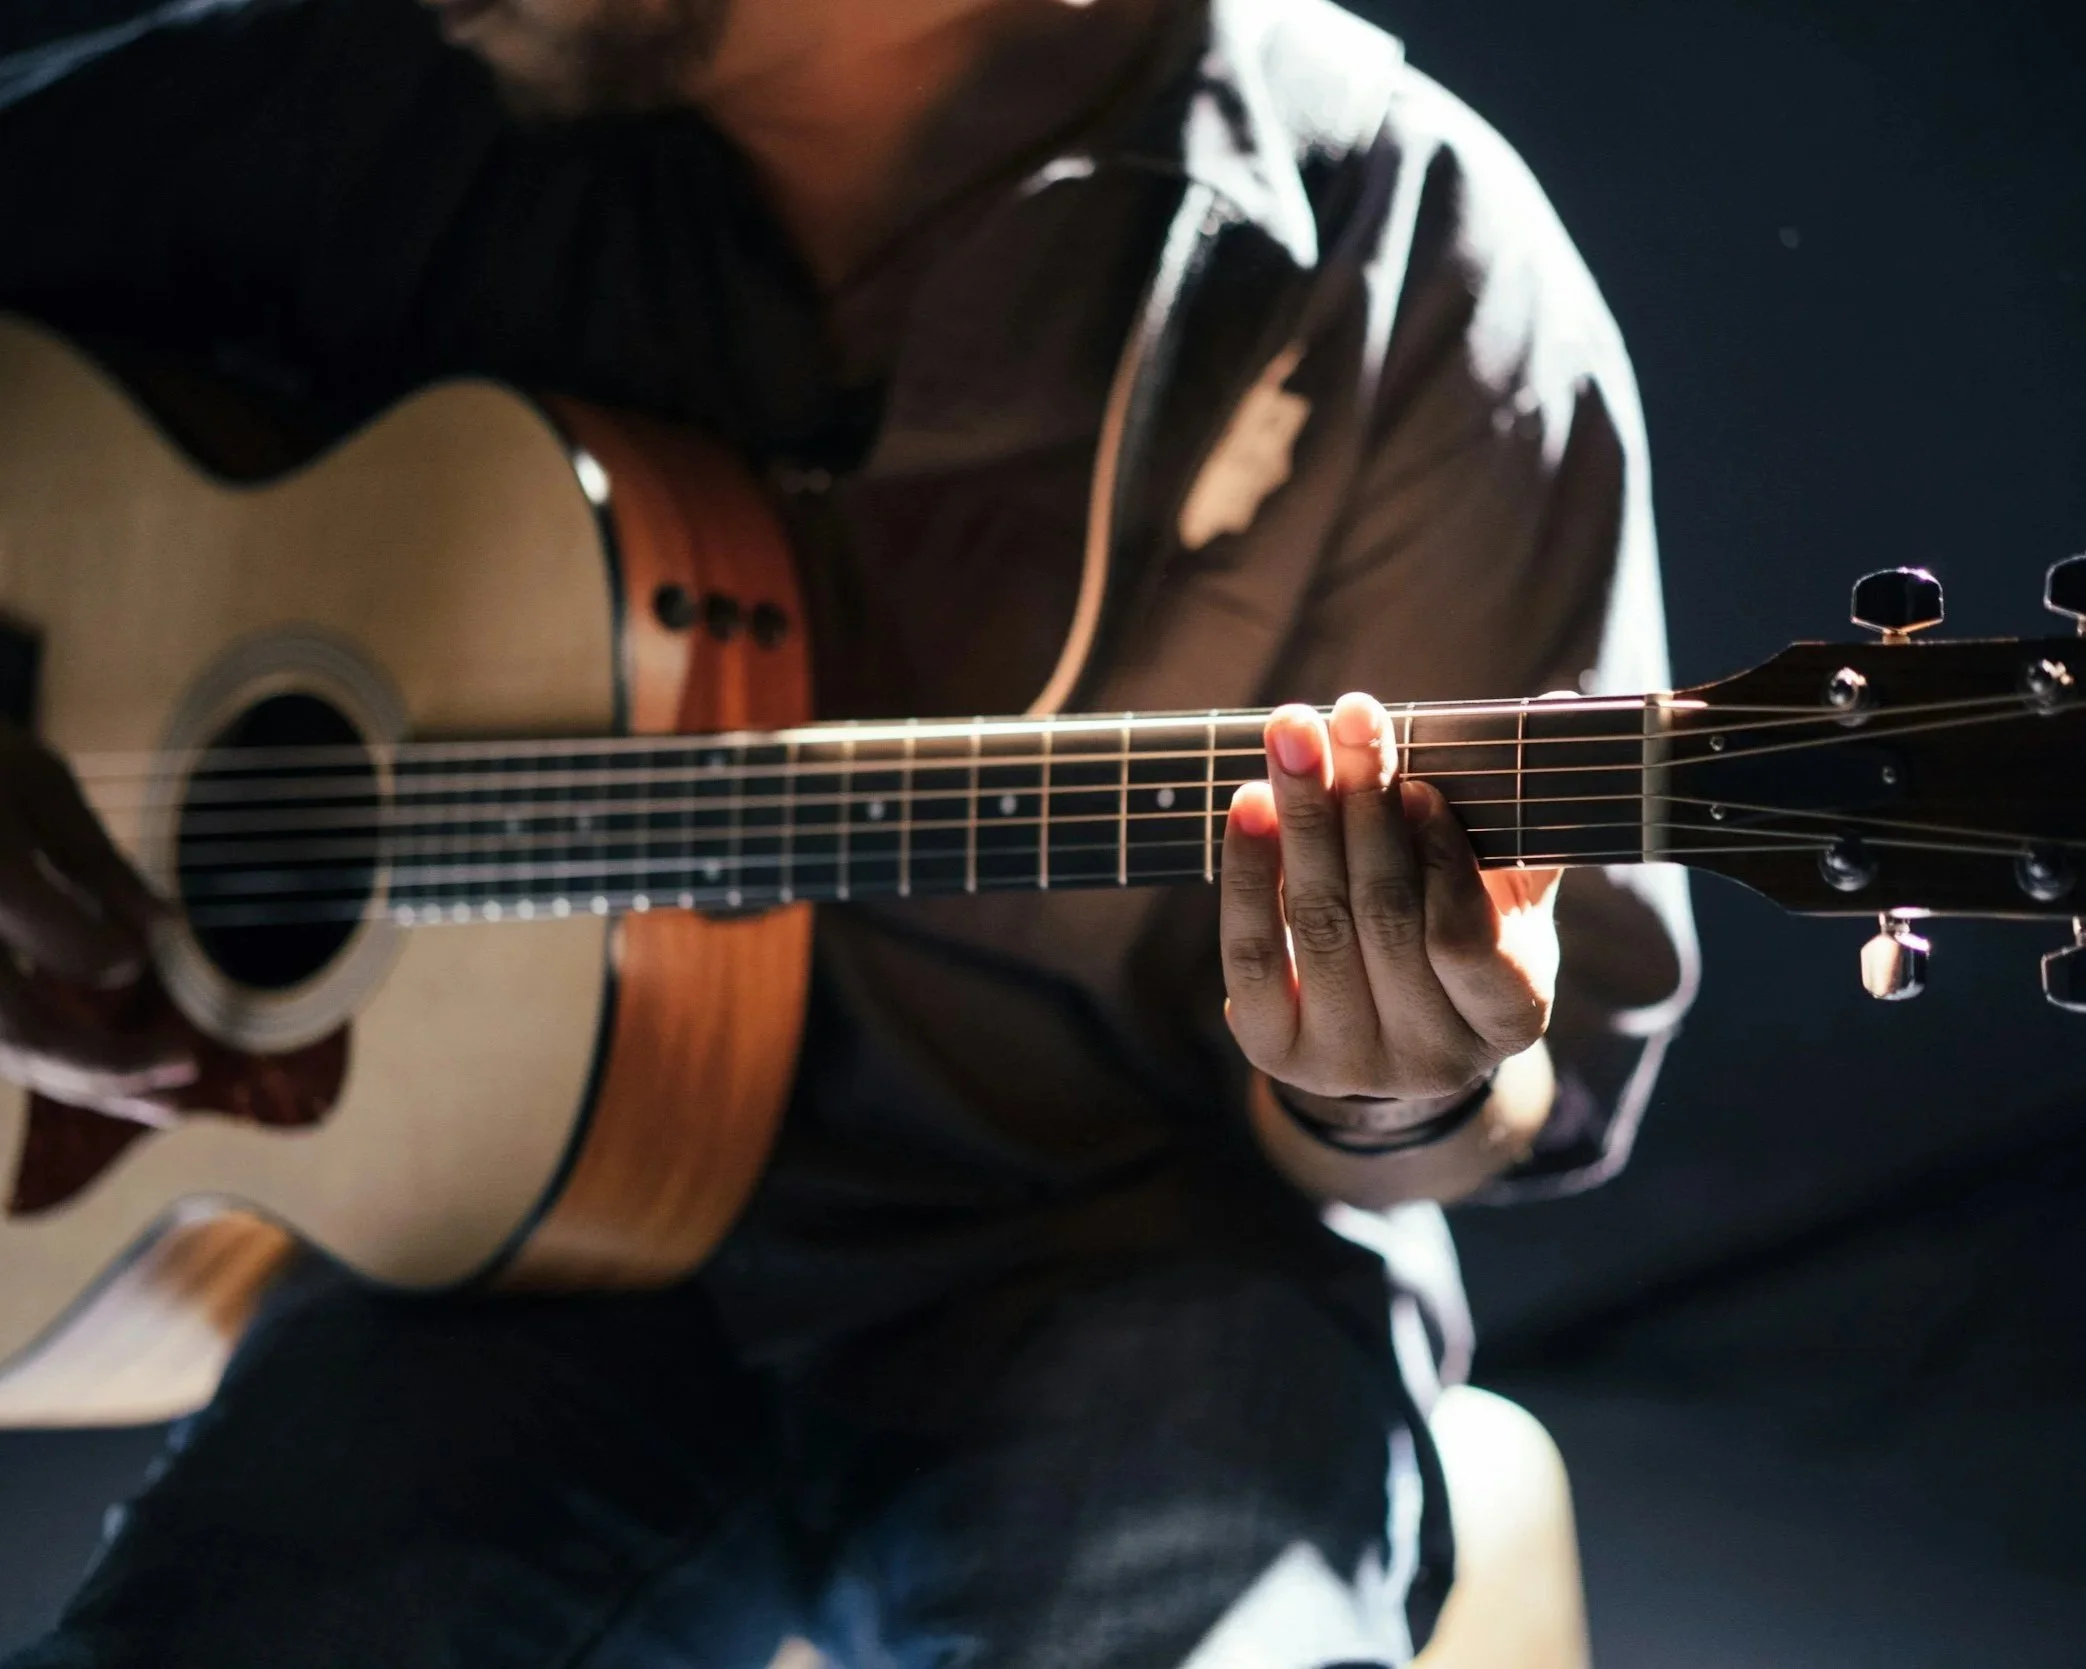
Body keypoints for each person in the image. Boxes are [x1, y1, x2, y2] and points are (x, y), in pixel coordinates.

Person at [0, 0, 1695, 1663]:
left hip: (1138, 1261)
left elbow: (1505, 1094)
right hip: (489, 1276)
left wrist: (1393, 1069)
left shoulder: (1399, 253)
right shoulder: (381, 89)